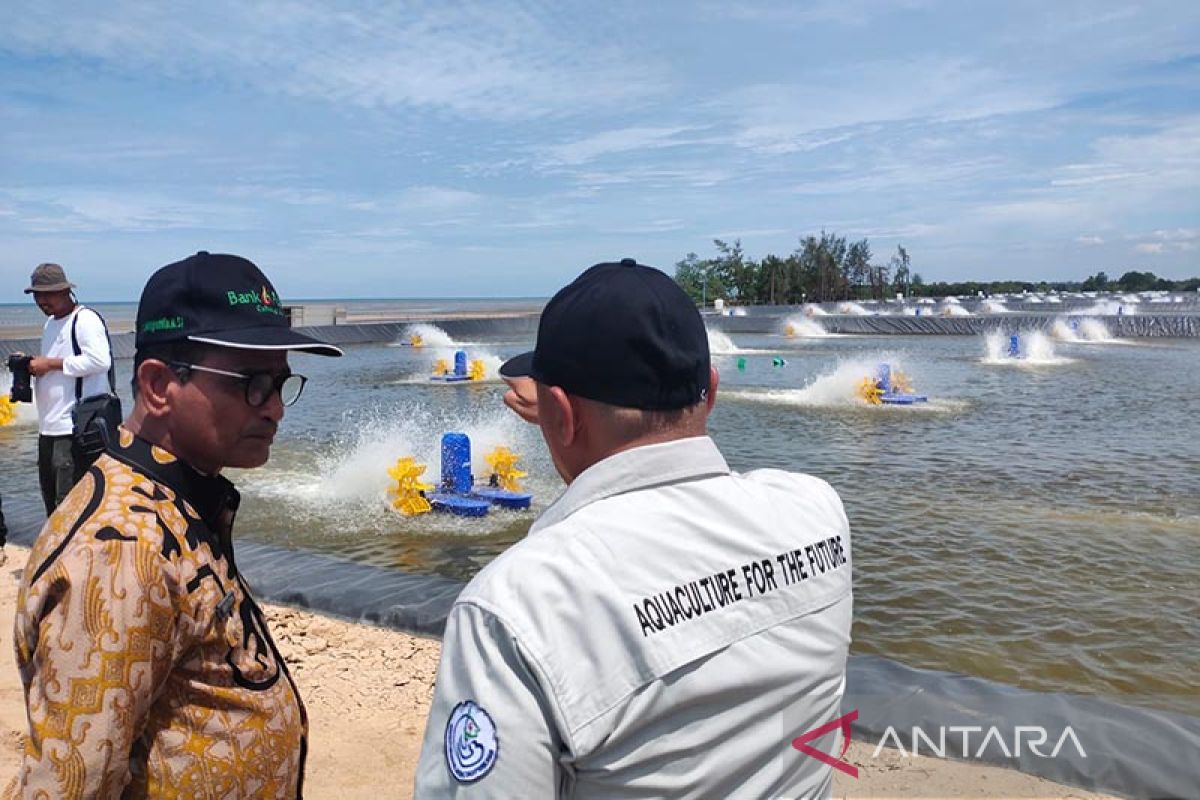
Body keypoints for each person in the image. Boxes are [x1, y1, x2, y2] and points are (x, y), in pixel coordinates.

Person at [415, 259, 854, 798]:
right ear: (710, 393)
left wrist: (566, 427)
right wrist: (567, 420)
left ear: (557, 411)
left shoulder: (516, 607)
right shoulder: (816, 512)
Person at [9, 251, 342, 799]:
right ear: (159, 385)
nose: (276, 409)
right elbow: (71, 785)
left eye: (282, 383)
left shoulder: (174, 499)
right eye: (253, 383)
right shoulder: (118, 553)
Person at [22, 262, 115, 515]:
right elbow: (58, 368)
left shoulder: (85, 319)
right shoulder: (50, 324)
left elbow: (99, 360)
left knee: (69, 508)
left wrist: (49, 364)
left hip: (72, 429)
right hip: (48, 428)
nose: (41, 301)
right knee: (52, 505)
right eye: (37, 295)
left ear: (65, 291)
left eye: (47, 294)